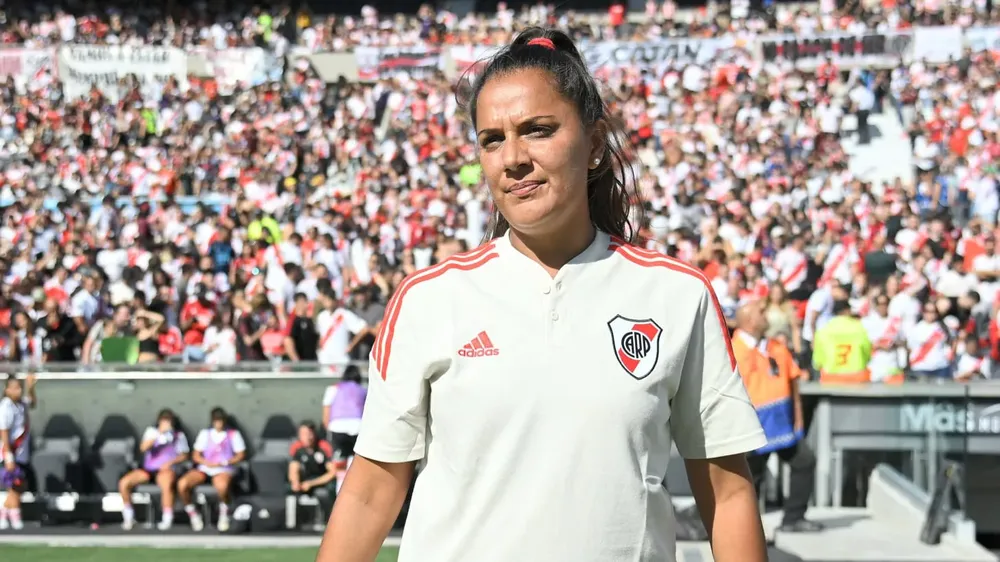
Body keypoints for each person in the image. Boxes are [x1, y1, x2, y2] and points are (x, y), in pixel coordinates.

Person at [316, 28, 768, 562]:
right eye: (491, 139)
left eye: (538, 130)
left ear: (595, 143)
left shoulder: (676, 294)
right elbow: (371, 493)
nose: (512, 158)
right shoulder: (428, 298)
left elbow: (729, 493)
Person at [731, 301, 822, 533]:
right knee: (752, 479)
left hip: (782, 425)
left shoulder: (775, 347)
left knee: (805, 461)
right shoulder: (734, 350)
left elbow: (793, 383)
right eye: (761, 312)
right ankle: (745, 529)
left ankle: (793, 518)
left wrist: (798, 417)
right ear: (749, 319)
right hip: (753, 427)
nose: (767, 316)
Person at [176, 407, 247, 532]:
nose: (218, 423)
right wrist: (206, 462)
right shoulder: (205, 434)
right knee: (183, 484)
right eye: (216, 420)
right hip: (205, 468)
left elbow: (241, 455)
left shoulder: (233, 434)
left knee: (222, 487)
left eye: (220, 420)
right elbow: (196, 455)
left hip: (224, 468)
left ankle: (224, 513)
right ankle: (193, 513)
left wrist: (225, 462)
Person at [118, 408, 190, 531]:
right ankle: (129, 517)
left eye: (169, 421)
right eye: (164, 420)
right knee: (124, 483)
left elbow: (184, 454)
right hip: (148, 469)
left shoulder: (178, 435)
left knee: (166, 484)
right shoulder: (151, 432)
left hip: (166, 470)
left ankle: (167, 518)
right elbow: (143, 448)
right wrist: (159, 434)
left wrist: (171, 462)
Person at [320, 365, 367, 494]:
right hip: (358, 426)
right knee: (355, 460)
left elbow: (326, 411)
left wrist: (327, 428)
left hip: (337, 427)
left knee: (340, 463)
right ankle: (356, 492)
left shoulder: (333, 388)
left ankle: (340, 493)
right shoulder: (363, 389)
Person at [0, 373, 36, 531]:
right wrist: (8, 457)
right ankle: (14, 516)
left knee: (22, 484)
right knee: (15, 485)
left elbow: (33, 403)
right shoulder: (5, 407)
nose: (18, 391)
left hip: (22, 452)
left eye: (20, 388)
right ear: (7, 390)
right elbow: (4, 433)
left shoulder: (20, 404)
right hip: (11, 453)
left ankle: (3, 512)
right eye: (15, 388)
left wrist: (31, 387)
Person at [812, 297, 873, 384]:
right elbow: (868, 353)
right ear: (847, 311)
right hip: (857, 379)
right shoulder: (859, 328)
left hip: (831, 379)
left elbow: (818, 361)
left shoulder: (823, 331)